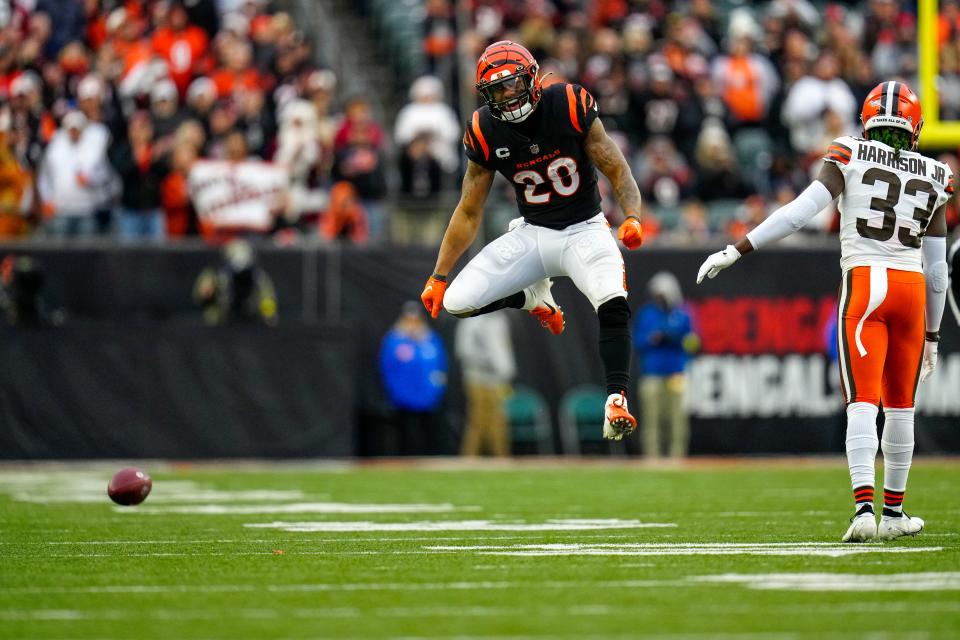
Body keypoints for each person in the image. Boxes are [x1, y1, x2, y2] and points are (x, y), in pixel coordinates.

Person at [697, 81, 952, 543]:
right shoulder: (937, 172)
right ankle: (893, 513)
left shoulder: (850, 152)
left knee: (861, 401)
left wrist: (738, 248)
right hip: (911, 290)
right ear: (915, 126)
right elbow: (938, 270)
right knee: (901, 407)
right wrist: (933, 334)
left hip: (866, 284)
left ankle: (863, 512)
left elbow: (798, 213)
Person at [420, 42, 645, 441]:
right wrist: (438, 274)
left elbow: (616, 167)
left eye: (512, 85)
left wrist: (631, 217)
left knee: (613, 300)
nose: (507, 96)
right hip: (533, 232)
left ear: (533, 79)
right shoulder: (483, 129)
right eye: (497, 90)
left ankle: (616, 399)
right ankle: (533, 298)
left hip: (586, 229)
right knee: (456, 302)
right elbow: (469, 210)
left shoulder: (569, 104)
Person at [633, 271, 698, 458]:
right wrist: (653, 338)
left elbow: (691, 342)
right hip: (652, 373)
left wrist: (669, 335)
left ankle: (677, 456)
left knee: (678, 418)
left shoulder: (682, 314)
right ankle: (652, 457)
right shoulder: (647, 313)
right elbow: (638, 342)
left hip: (676, 372)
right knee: (652, 419)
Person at [379, 302, 448, 455]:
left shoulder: (431, 341)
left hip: (428, 398)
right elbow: (388, 369)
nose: (412, 325)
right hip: (403, 399)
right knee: (406, 434)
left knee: (428, 435)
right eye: (409, 321)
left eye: (416, 321)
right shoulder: (394, 342)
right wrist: (396, 393)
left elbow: (440, 368)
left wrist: (436, 391)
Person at [455, 310, 516, 457]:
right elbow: (464, 350)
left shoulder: (499, 319)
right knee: (478, 420)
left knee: (499, 421)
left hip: (498, 380)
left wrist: (507, 370)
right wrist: (488, 363)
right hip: (478, 378)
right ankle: (470, 458)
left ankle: (501, 459)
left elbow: (503, 349)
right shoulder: (471, 320)